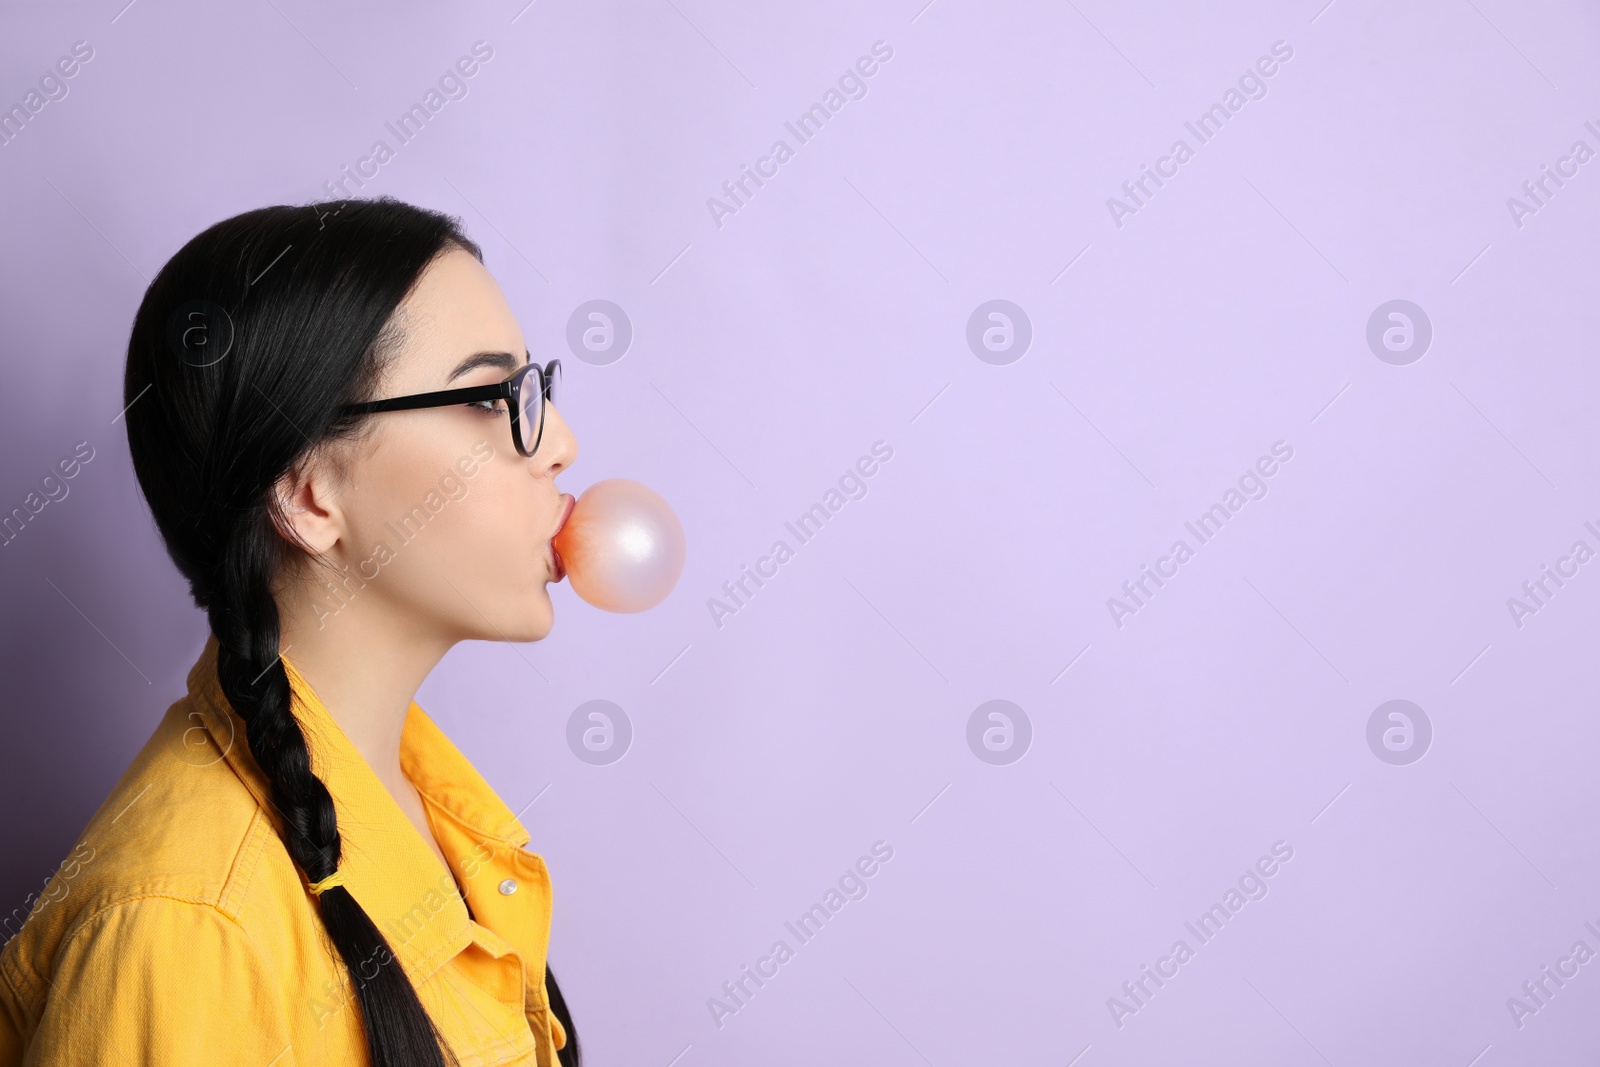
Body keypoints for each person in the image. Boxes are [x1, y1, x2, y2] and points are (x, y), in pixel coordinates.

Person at [0, 196, 582, 1065]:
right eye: (490, 396)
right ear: (309, 495)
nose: (560, 442)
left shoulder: (445, 820)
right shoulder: (187, 928)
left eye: (532, 388)